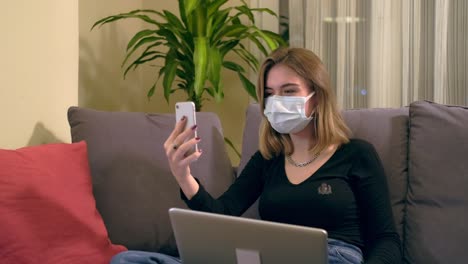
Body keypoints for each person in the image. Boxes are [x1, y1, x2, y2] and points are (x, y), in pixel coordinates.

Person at [110, 47, 402, 264]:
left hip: (334, 256)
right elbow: (222, 216)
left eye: (289, 91)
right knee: (126, 261)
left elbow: (386, 240)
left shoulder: (355, 154)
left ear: (317, 97)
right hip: (267, 258)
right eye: (271, 94)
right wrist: (183, 176)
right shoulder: (268, 159)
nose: (278, 102)